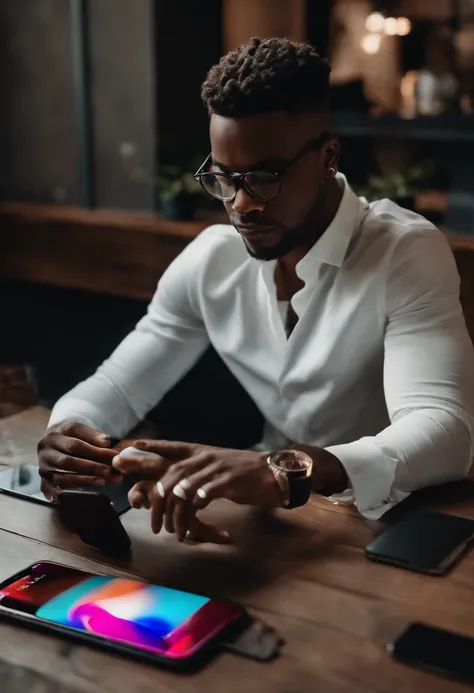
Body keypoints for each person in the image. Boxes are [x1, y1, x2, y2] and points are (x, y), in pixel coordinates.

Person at [38, 38, 474, 543]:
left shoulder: (405, 251)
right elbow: (118, 385)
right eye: (225, 178)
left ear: (329, 155)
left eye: (265, 177)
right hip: (274, 524)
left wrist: (284, 470)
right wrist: (70, 432)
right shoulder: (212, 260)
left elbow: (446, 433)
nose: (241, 204)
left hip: (397, 528)